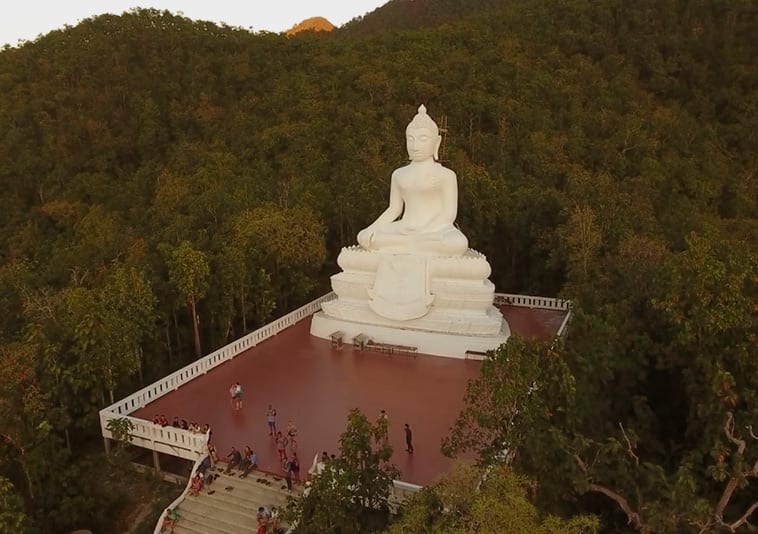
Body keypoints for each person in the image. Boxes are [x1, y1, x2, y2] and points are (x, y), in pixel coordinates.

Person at [356, 104, 468, 257]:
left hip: (435, 230)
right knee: (365, 237)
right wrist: (372, 228)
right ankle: (411, 246)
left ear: (437, 142)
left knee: (457, 243)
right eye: (411, 139)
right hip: (404, 228)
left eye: (423, 139)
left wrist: (423, 231)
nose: (415, 146)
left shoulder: (446, 175)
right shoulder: (398, 174)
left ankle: (404, 246)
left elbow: (448, 214)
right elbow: (394, 209)